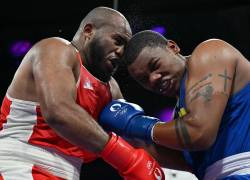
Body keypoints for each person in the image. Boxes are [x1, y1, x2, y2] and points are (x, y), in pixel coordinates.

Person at [0, 9, 165, 180]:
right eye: (118, 41)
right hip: (19, 163)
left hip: (66, 173)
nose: (121, 52)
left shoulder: (110, 88)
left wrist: (187, 163)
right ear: (88, 31)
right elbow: (58, 111)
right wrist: (127, 159)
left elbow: (135, 140)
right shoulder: (56, 49)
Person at [99, 30, 250, 179]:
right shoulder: (181, 113)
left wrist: (138, 124)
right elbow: (189, 161)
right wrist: (122, 133)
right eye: (144, 79)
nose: (153, 79)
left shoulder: (210, 54)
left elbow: (199, 133)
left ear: (172, 47)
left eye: (155, 65)